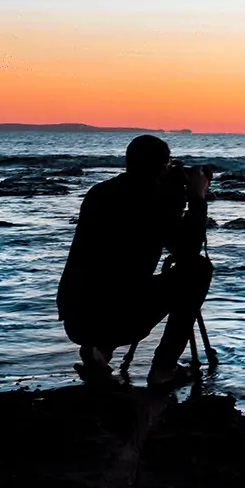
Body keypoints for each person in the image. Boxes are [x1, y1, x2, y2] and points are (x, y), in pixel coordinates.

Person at [57, 135, 213, 387]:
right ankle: (164, 368)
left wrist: (171, 194)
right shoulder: (156, 199)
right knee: (198, 270)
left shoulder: (100, 192)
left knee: (117, 283)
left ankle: (99, 351)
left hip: (76, 319)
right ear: (162, 167)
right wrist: (196, 197)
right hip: (116, 318)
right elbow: (189, 249)